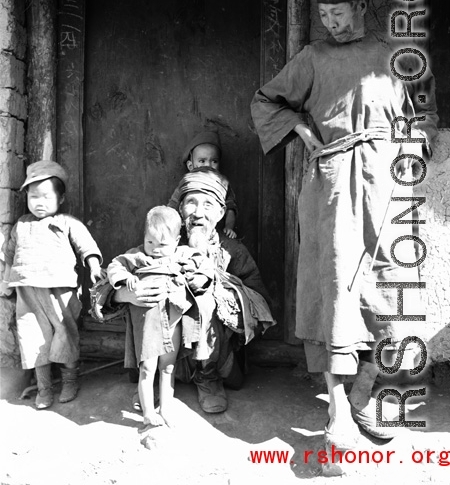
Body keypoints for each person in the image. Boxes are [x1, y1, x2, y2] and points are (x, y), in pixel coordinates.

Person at [251, 0, 438, 448]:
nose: (331, 23)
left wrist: (415, 145)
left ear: (361, 6)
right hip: (333, 185)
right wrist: (302, 129)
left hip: (390, 184)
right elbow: (267, 100)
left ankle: (363, 394)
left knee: (393, 293)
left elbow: (427, 113)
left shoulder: (396, 56)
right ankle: (336, 415)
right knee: (333, 288)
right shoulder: (312, 58)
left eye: (339, 13)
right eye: (324, 14)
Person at [108, 168, 274, 423]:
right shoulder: (162, 242)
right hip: (161, 340)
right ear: (180, 210)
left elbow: (260, 301)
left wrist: (217, 289)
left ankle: (207, 379)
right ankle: (150, 383)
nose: (198, 212)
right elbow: (114, 276)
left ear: (220, 213)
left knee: (206, 298)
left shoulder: (233, 251)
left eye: (208, 204)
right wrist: (127, 295)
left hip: (212, 349)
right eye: (191, 203)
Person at [0, 160, 102, 409]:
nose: (39, 202)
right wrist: (6, 281)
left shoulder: (67, 222)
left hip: (60, 291)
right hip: (28, 291)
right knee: (33, 336)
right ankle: (44, 387)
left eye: (46, 197)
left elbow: (85, 245)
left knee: (65, 333)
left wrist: (94, 265)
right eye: (33, 197)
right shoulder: (22, 225)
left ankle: (70, 380)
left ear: (61, 198)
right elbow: (10, 254)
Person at [106, 205, 215, 434]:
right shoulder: (137, 256)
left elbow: (204, 264)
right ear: (144, 239)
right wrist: (126, 279)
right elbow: (115, 265)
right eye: (150, 242)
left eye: (162, 245)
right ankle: (148, 413)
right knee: (147, 368)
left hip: (172, 319)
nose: (155, 250)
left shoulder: (181, 254)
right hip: (147, 324)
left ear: (176, 241)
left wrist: (195, 277)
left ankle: (166, 408)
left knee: (168, 367)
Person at [168, 130, 238, 238]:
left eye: (214, 161)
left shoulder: (222, 185)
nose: (208, 165)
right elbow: (172, 207)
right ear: (191, 166)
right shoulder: (186, 183)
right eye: (202, 161)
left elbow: (230, 209)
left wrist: (229, 228)